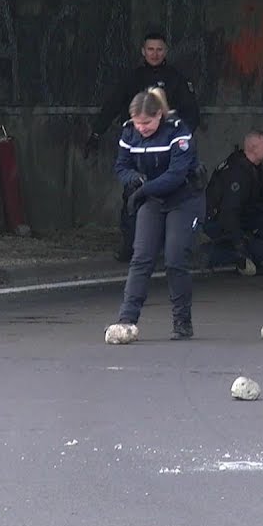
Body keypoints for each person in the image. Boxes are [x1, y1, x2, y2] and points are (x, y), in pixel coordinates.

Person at [89, 31, 201, 262]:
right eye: (150, 49)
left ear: (166, 51)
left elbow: (191, 113)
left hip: (167, 149)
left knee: (171, 192)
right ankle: (130, 245)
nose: (154, 54)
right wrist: (96, 132)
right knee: (133, 191)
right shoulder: (133, 78)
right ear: (143, 51)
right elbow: (113, 104)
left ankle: (168, 244)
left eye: (159, 49)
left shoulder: (176, 79)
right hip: (138, 147)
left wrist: (181, 141)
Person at [109, 87, 206, 340]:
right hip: (152, 198)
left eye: (148, 122)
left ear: (159, 116)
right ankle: (126, 319)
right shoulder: (129, 132)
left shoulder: (177, 132)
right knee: (141, 257)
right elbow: (121, 166)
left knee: (175, 258)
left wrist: (140, 192)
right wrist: (134, 180)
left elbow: (175, 176)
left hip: (183, 199)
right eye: (138, 123)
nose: (143, 128)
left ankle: (182, 322)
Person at [203, 130, 263, 276]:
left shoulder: (254, 167)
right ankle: (213, 254)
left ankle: (251, 255)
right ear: (253, 149)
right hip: (219, 221)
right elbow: (228, 213)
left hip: (240, 214)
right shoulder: (238, 173)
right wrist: (240, 245)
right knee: (261, 251)